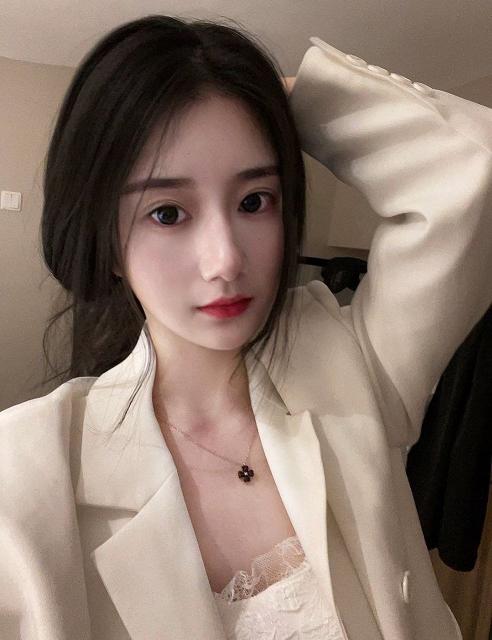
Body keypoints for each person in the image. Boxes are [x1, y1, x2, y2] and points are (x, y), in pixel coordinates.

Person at [1, 13, 491, 640]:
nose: (227, 260)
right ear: (105, 240)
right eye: (168, 212)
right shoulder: (27, 473)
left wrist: (273, 94)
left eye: (254, 201)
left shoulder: (353, 363)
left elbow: (472, 170)